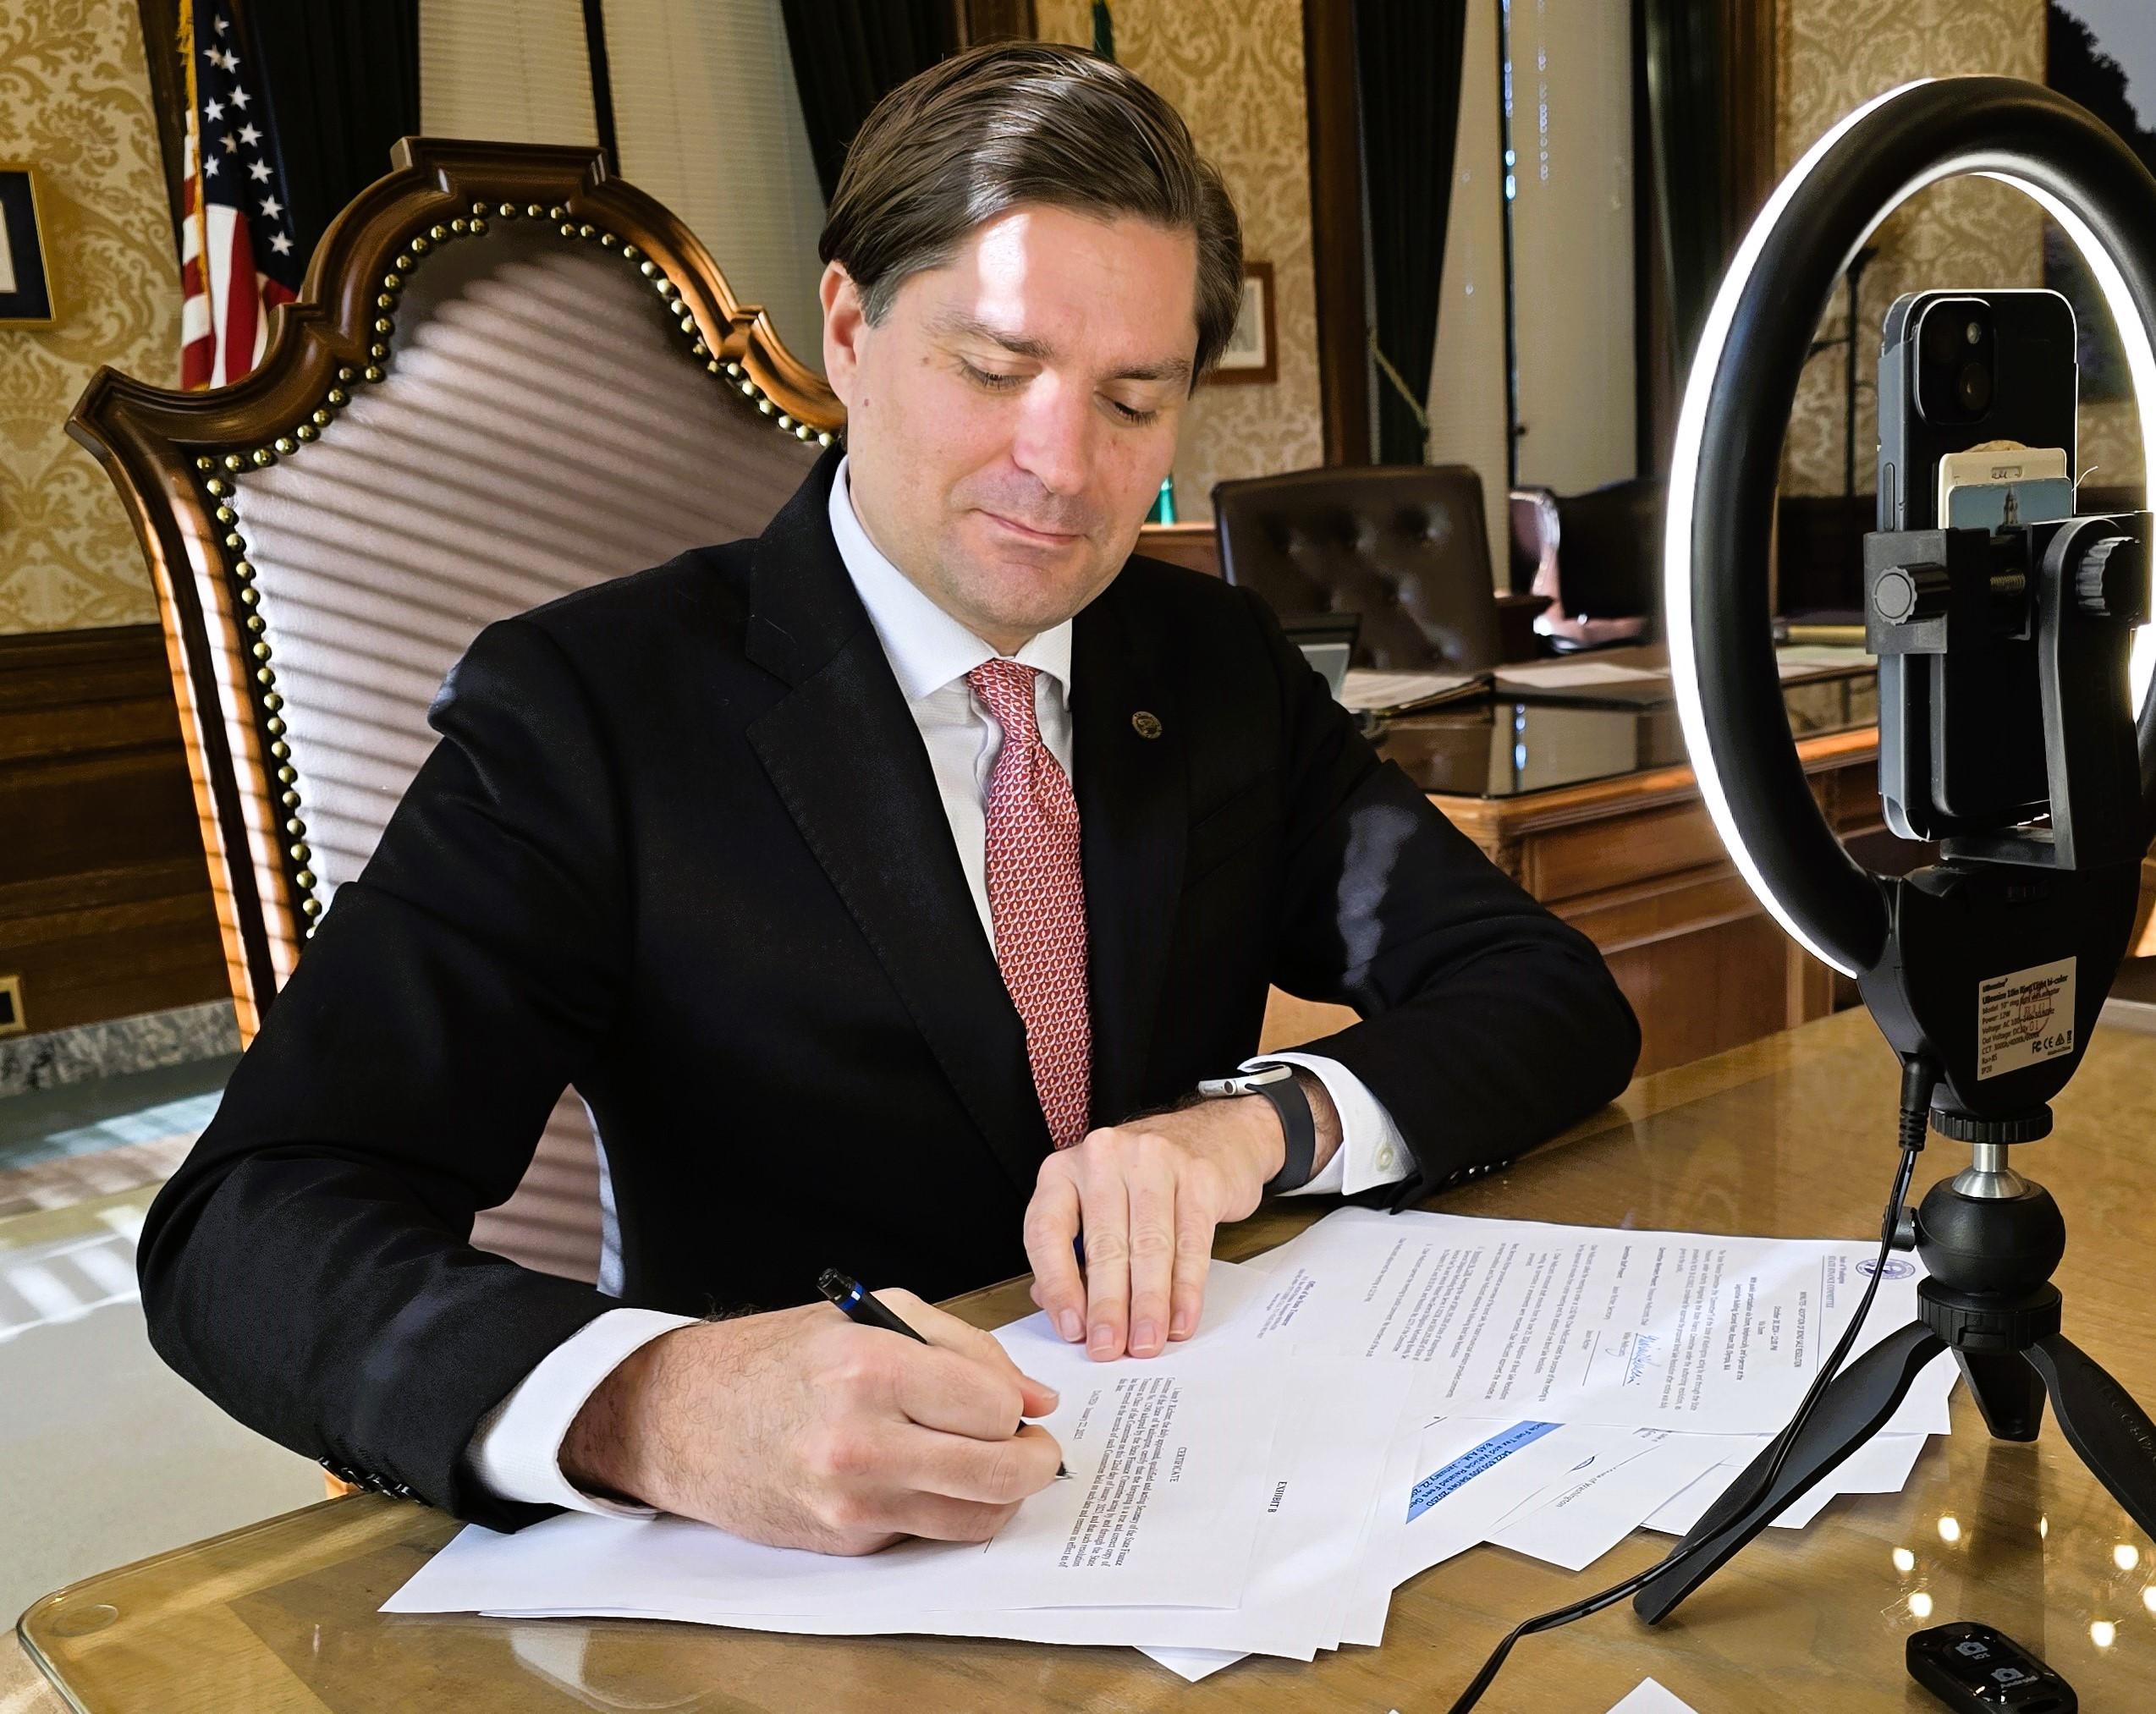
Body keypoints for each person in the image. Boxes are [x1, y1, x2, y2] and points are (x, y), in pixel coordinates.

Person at [138, 41, 1639, 1558]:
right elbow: (248, 1223)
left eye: (1134, 398)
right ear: (850, 327)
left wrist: (1252, 1129)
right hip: (779, 1567)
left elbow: (1546, 992)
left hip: (1195, 1494)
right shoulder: (590, 709)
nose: (1060, 466)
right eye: (994, 371)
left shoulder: (1214, 661)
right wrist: (653, 1404)